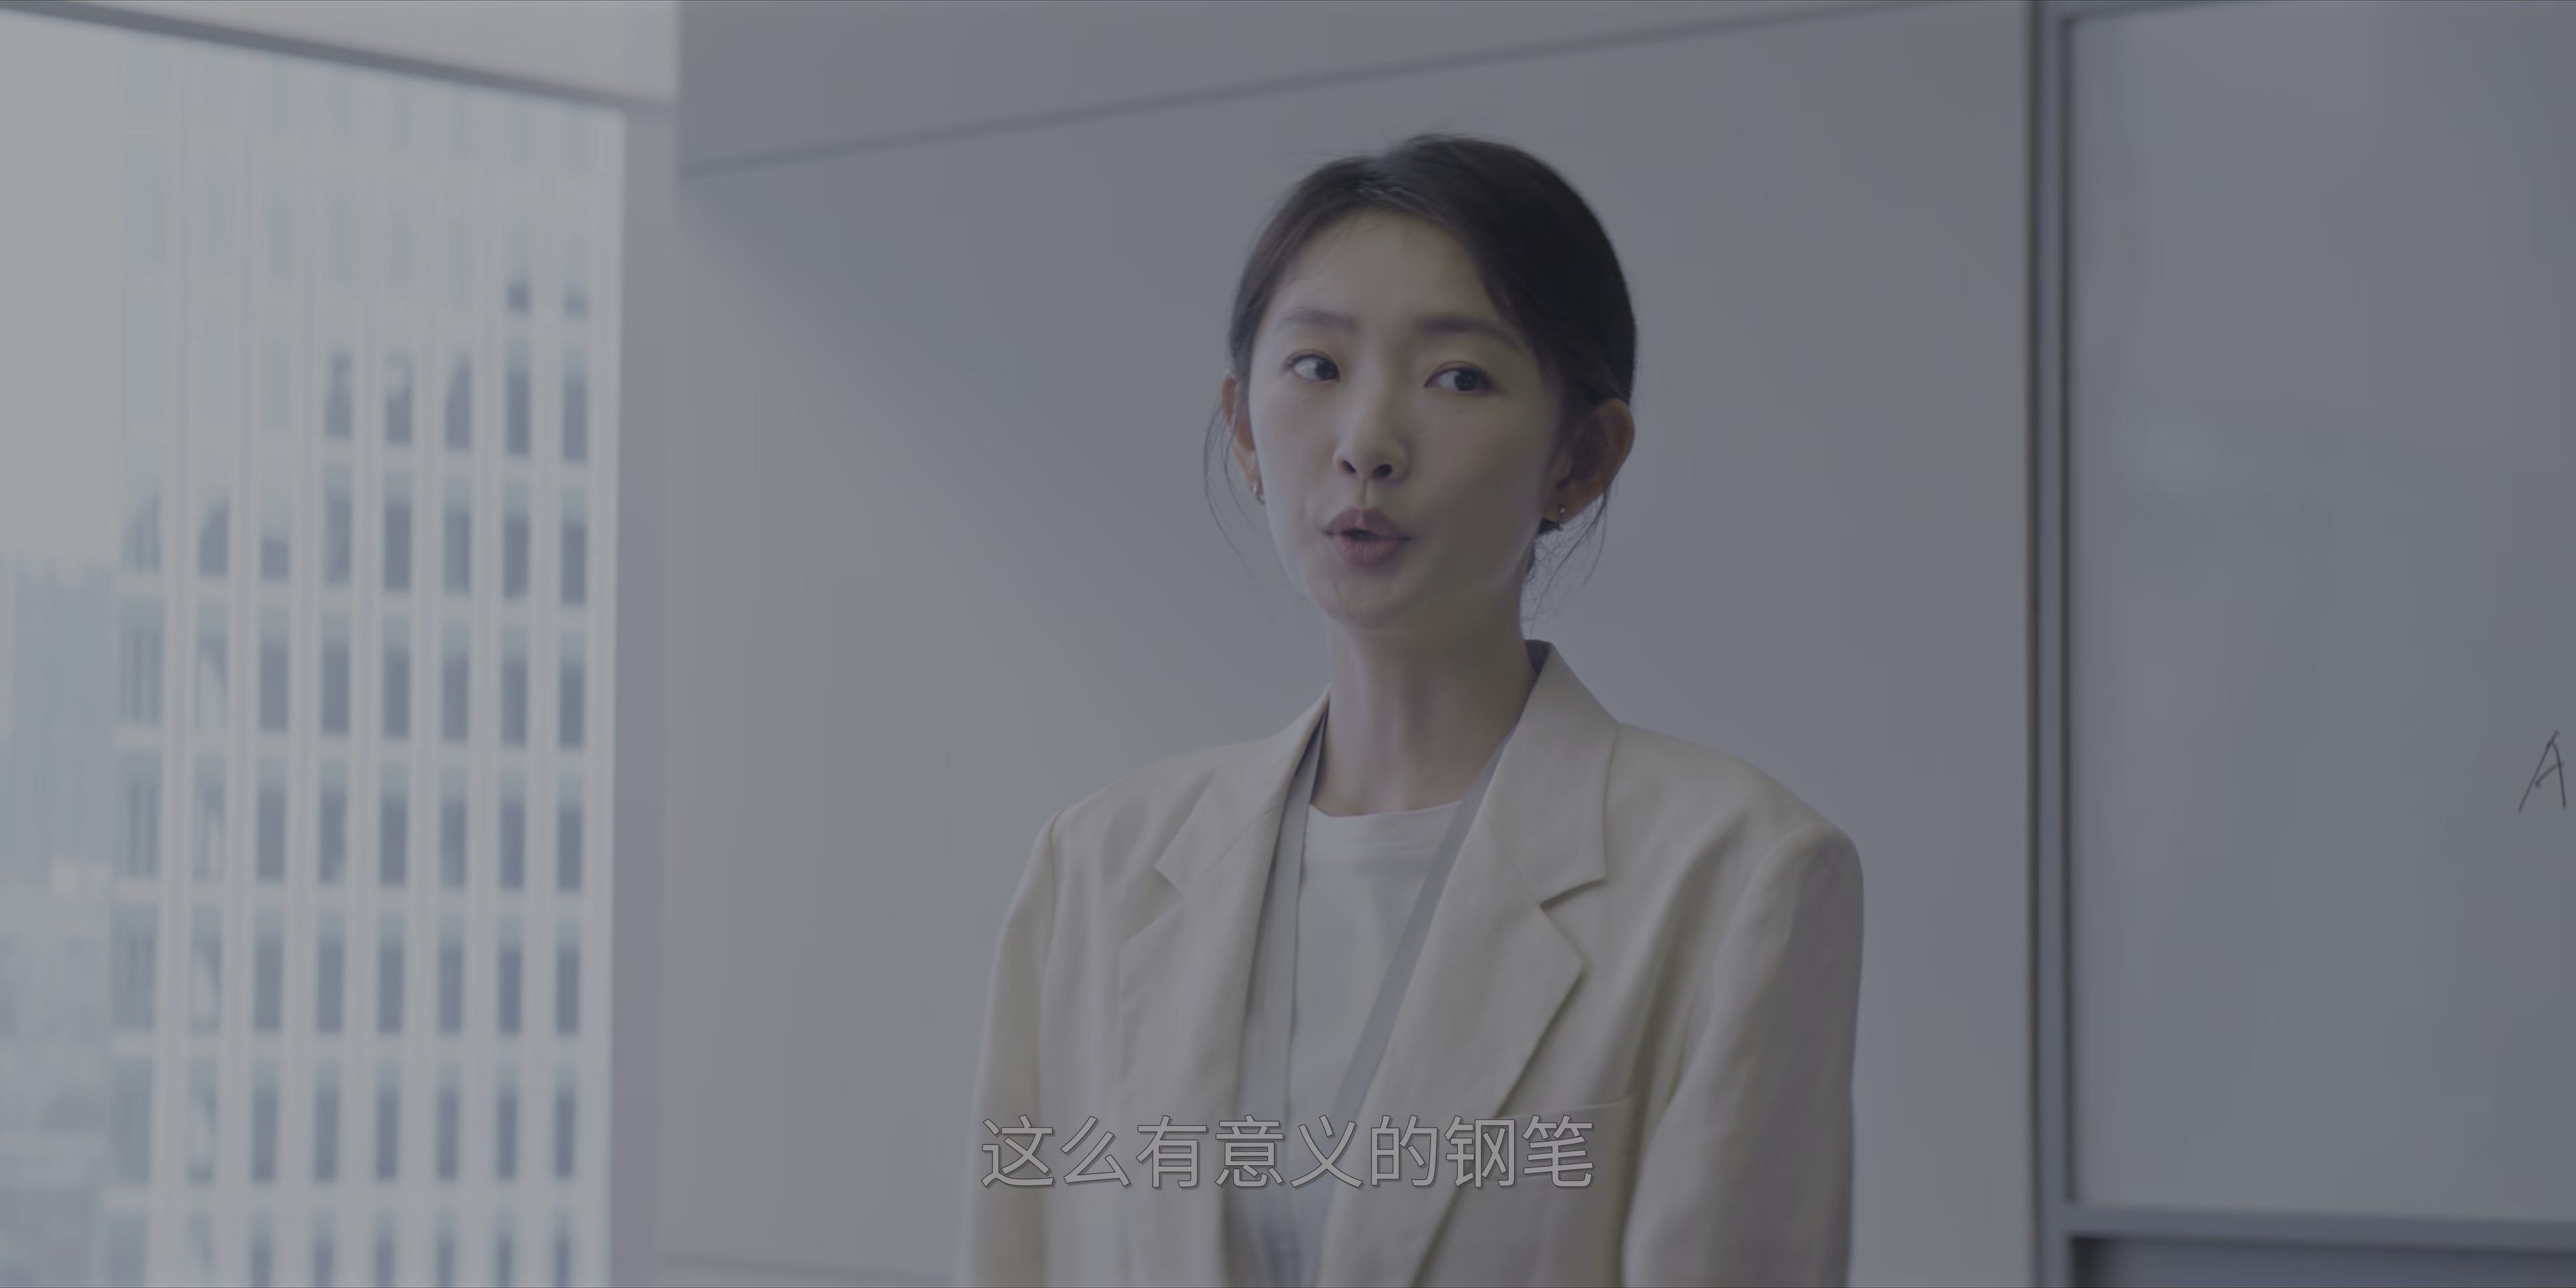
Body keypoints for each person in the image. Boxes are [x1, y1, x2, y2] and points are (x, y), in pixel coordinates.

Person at [953, 133, 1862, 1288]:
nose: (1367, 445)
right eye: (1317, 366)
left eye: (1459, 378)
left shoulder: (1739, 874)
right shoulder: (1096, 866)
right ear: (1244, 429)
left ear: (1582, 459)